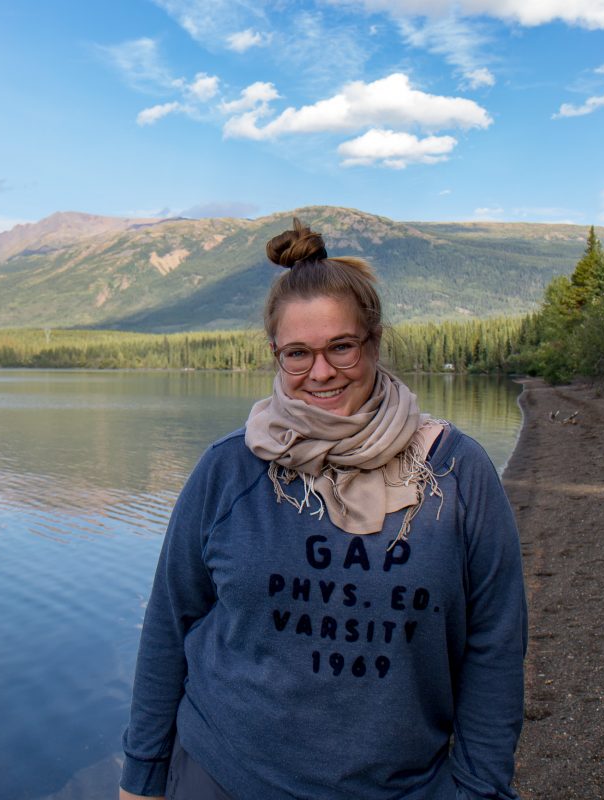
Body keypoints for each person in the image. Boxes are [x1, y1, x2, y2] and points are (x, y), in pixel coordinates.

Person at [119, 218, 527, 800]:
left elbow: (495, 644)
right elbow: (169, 624)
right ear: (275, 356)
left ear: (374, 342)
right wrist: (141, 779)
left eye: (341, 346)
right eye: (297, 353)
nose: (321, 372)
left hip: (403, 787)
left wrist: (482, 789)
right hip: (221, 777)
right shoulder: (231, 468)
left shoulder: (457, 472)